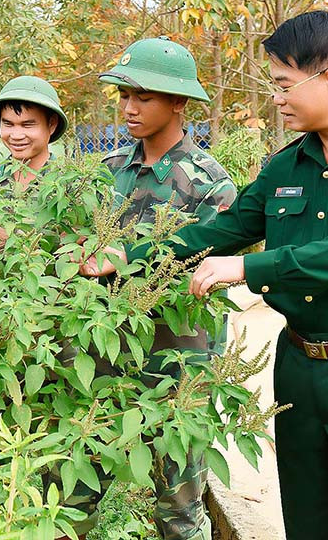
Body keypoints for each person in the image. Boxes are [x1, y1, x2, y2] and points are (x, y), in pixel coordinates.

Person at [83, 11, 328, 540]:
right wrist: (128, 255)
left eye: (283, 84)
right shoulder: (286, 165)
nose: (276, 97)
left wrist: (247, 269)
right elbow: (224, 230)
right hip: (299, 362)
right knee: (307, 519)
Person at [47, 37, 236, 540]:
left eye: (143, 97)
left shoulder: (209, 185)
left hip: (178, 362)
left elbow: (205, 269)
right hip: (103, 357)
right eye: (124, 96)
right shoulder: (108, 171)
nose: (129, 108)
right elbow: (74, 245)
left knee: (177, 506)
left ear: (179, 102)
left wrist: (123, 262)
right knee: (70, 497)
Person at [0, 75, 68, 191]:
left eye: (27, 125)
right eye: (8, 124)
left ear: (52, 124)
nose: (16, 135)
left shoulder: (74, 187)